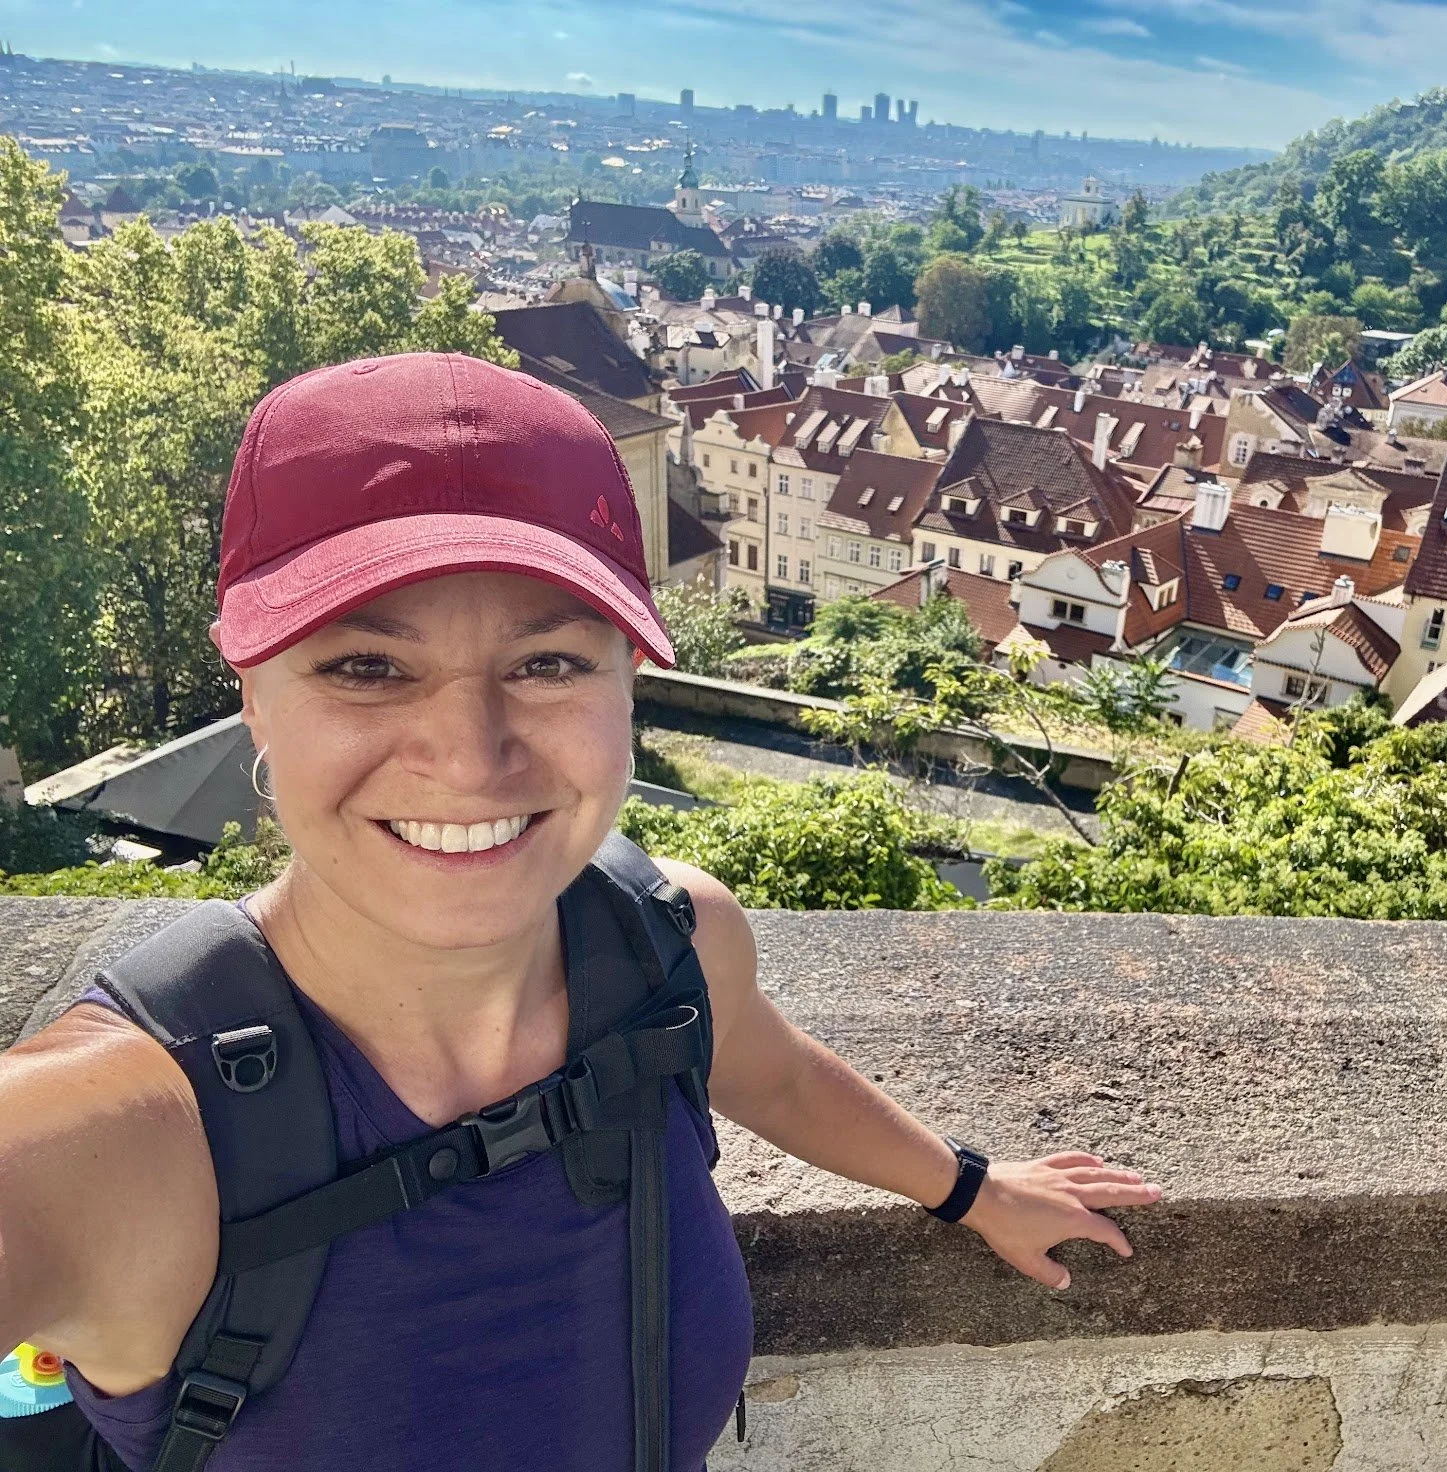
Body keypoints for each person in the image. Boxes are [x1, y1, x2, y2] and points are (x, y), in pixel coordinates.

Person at [0, 352, 1162, 1470]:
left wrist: (968, 1183)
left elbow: (777, 1076)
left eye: (548, 663)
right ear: (251, 694)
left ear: (626, 685)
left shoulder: (667, 950)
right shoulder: (115, 1134)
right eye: (366, 666)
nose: (468, 757)